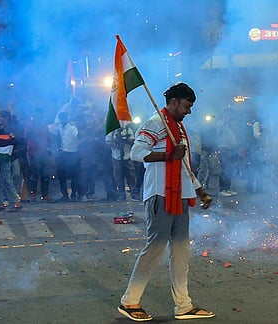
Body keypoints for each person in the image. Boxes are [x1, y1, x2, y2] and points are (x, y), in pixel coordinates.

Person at [118, 83, 215, 322]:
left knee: (181, 252)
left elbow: (184, 166)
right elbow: (137, 153)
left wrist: (200, 190)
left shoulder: (179, 129)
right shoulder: (155, 123)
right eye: (186, 106)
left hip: (181, 196)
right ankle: (129, 302)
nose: (188, 111)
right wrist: (167, 155)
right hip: (159, 195)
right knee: (155, 248)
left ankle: (183, 305)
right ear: (173, 102)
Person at [105, 124, 141, 202]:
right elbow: (107, 142)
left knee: (131, 177)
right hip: (116, 157)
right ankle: (121, 195)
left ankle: (134, 195)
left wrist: (125, 140)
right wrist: (115, 142)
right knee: (118, 178)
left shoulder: (128, 130)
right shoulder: (112, 131)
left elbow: (133, 140)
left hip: (127, 157)